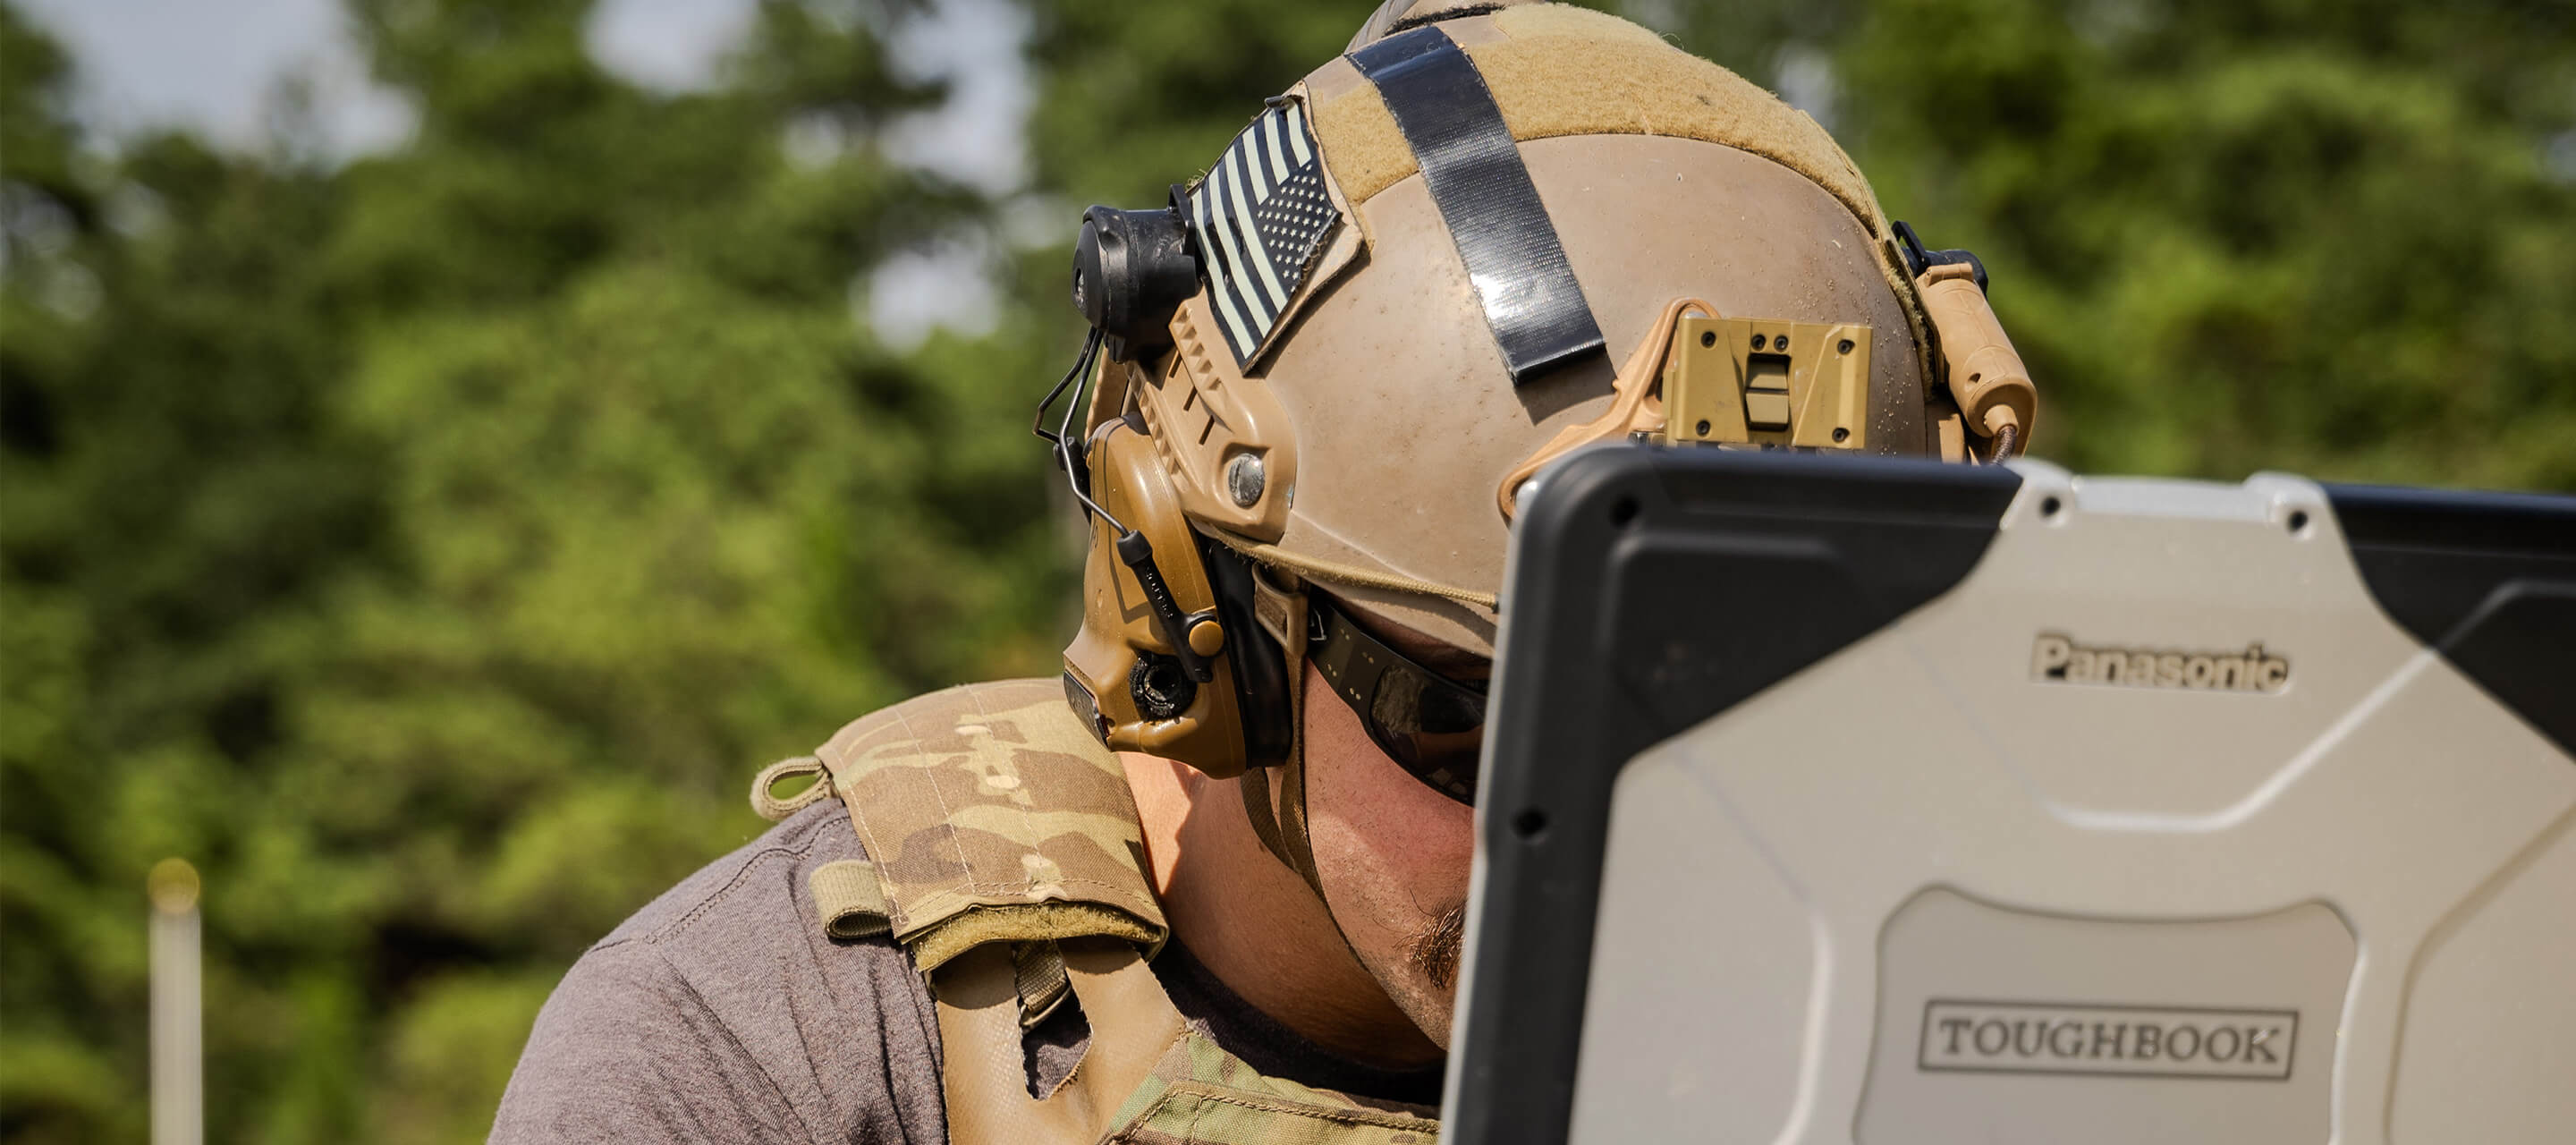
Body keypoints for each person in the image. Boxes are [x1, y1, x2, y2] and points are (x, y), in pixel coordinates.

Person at [489, 1, 2032, 1141]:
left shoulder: (1961, 1002)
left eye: (1757, 708)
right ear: (1205, 619)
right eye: (1479, 715)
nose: (1631, 836)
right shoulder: (777, 1060)